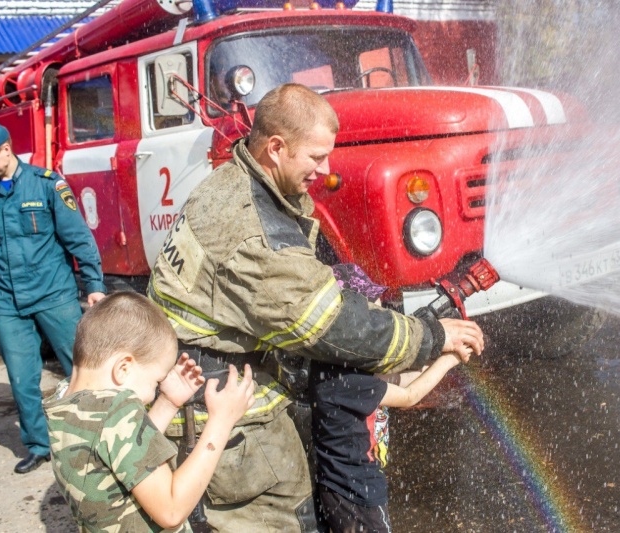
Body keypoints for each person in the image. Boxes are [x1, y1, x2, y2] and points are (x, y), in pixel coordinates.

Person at [147, 83, 485, 532]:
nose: (326, 170)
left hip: (209, 385)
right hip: (233, 421)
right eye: (316, 157)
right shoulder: (253, 232)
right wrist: (433, 337)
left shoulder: (237, 183)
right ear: (276, 148)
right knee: (288, 519)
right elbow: (331, 325)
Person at [44, 292, 256, 532]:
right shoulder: (116, 410)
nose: (150, 395)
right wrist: (221, 421)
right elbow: (171, 510)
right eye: (155, 382)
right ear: (123, 368)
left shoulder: (66, 402)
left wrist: (167, 402)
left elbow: (120, 449)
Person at [0, 121, 106, 474]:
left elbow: (78, 238)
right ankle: (40, 445)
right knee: (22, 378)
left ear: (6, 149)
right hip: (7, 301)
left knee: (82, 367)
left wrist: (94, 285)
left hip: (53, 293)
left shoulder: (47, 184)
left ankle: (98, 438)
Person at [311, 264, 475, 532]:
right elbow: (409, 396)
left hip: (348, 485)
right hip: (354, 490)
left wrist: (433, 357)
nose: (380, 309)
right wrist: (449, 360)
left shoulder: (344, 364)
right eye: (370, 306)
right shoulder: (342, 374)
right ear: (346, 318)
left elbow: (399, 379)